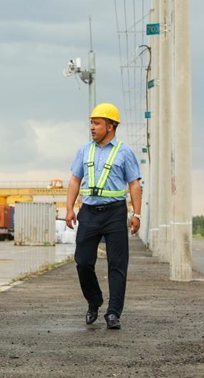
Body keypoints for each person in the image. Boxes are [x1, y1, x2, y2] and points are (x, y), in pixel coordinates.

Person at [65, 103, 142, 330]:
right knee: (83, 262)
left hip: (115, 213)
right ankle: (94, 301)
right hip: (88, 212)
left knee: (117, 265)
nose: (92, 127)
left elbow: (134, 184)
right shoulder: (84, 150)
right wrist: (69, 208)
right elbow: (74, 180)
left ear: (110, 126)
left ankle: (113, 313)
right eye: (91, 122)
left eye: (97, 123)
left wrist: (136, 214)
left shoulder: (125, 152)